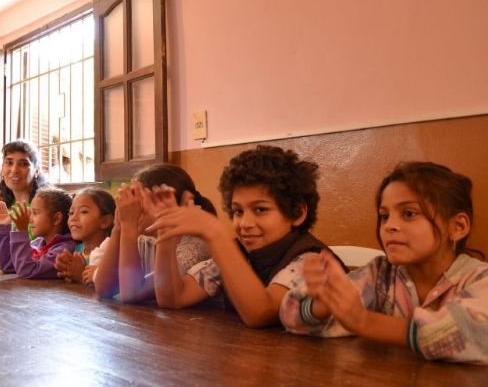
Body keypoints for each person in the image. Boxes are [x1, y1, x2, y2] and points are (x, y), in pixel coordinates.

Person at [280, 161, 488, 364]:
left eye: (408, 213)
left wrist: (364, 321)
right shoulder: (380, 275)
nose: (389, 226)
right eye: (384, 216)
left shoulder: (480, 279)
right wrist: (325, 303)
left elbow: (469, 331)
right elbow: (290, 313)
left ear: (458, 226)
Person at [149, 146, 341, 327]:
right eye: (238, 211)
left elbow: (261, 313)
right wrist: (166, 236)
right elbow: (173, 298)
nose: (244, 224)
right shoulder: (239, 253)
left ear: (298, 213)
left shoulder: (310, 261)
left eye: (260, 209)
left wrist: (215, 233)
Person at [93, 164, 213, 303]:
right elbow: (103, 288)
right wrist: (118, 227)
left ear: (168, 204)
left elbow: (132, 294)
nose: (131, 205)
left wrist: (128, 226)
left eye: (138, 199)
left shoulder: (192, 248)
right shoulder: (145, 241)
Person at [0, 187, 74, 278]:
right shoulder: (38, 243)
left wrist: (21, 231)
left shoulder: (64, 250)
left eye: (35, 213)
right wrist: (4, 228)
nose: (30, 219)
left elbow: (27, 271)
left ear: (56, 218)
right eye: (31, 213)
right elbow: (9, 266)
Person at [54, 188, 115, 285]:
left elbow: (111, 288)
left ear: (105, 221)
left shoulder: (110, 253)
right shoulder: (78, 250)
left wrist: (81, 275)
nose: (73, 218)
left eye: (84, 212)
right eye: (71, 213)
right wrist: (66, 270)